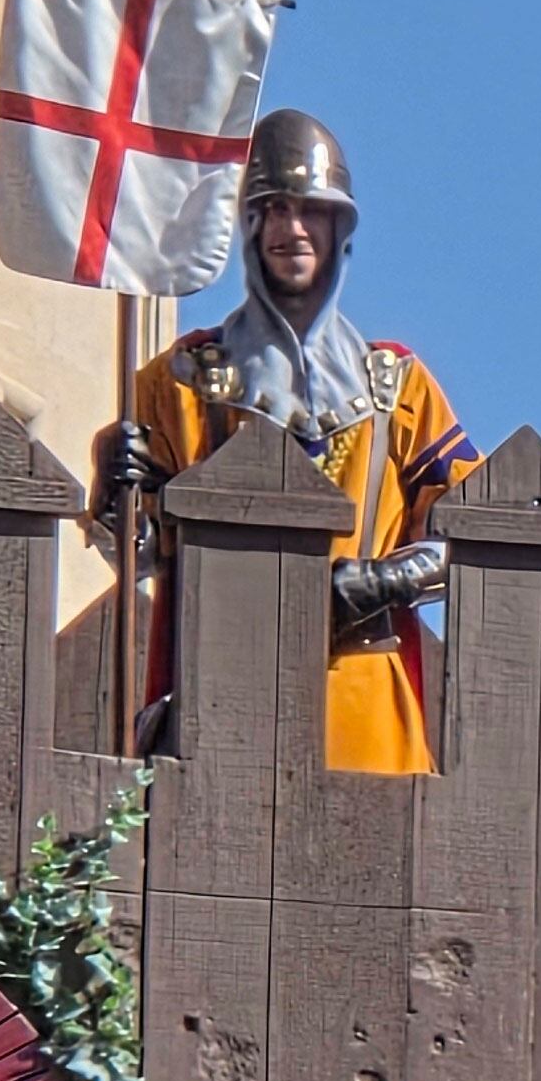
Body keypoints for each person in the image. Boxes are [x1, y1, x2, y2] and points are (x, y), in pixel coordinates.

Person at [113, 108, 480, 771]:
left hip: (362, 691)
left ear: (341, 230)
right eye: (272, 210)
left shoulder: (396, 385)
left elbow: (472, 536)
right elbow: (137, 554)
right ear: (246, 227)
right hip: (219, 685)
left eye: (310, 211)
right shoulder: (180, 380)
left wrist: (385, 578)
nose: (291, 230)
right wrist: (119, 486)